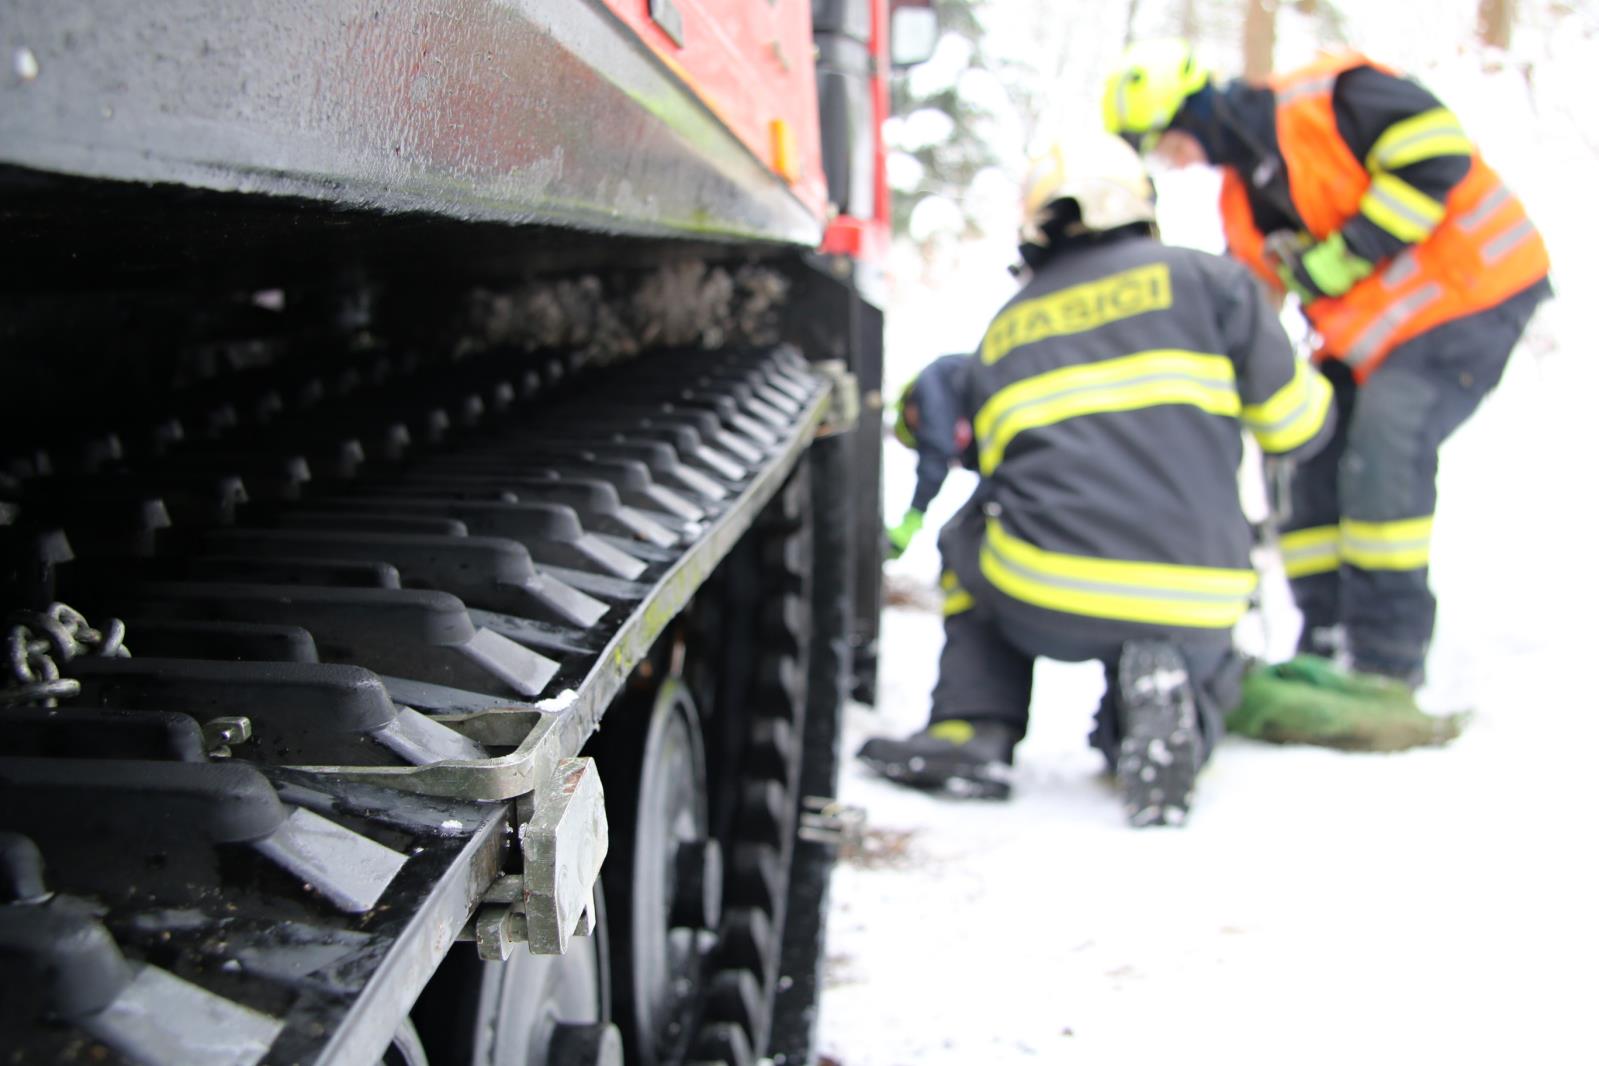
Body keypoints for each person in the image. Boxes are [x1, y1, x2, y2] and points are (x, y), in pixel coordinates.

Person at [857, 131, 1335, 826]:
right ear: (1139, 204)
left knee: (969, 533)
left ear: (1036, 224)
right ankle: (1162, 709)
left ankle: (972, 729)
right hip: (1198, 586)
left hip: (1049, 591)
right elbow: (1295, 430)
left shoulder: (1004, 332)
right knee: (1189, 648)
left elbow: (995, 468)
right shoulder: (1213, 283)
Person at [1102, 40, 1552, 687]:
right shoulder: (1238, 200)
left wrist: (1347, 253)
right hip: (1373, 341)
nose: (1171, 160)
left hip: (1475, 294)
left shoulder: (1330, 98)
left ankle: (1384, 657)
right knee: (1304, 446)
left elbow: (1435, 154)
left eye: (1164, 142)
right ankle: (1323, 632)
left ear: (1189, 112)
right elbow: (1251, 302)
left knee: (1385, 446)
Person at [885, 353, 975, 559]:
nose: (921, 432)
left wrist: (914, 515)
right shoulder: (955, 400)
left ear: (908, 408)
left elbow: (936, 450)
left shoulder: (931, 382)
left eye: (915, 430)